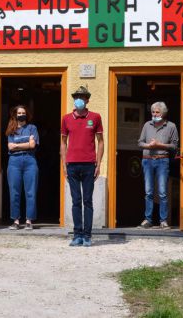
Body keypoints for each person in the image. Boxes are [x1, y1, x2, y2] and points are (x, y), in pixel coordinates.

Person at [61, 86, 104, 247]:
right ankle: (77, 234)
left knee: (87, 200)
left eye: (82, 97)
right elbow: (63, 142)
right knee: (76, 200)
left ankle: (87, 235)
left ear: (87, 100)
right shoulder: (66, 118)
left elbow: (100, 142)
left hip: (89, 164)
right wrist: (64, 164)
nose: (78, 99)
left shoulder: (95, 117)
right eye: (76, 97)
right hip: (72, 164)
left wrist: (98, 164)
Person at [137, 102, 179, 230]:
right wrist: (148, 146)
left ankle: (163, 220)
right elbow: (140, 142)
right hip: (147, 160)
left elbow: (174, 146)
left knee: (162, 192)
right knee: (148, 192)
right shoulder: (147, 125)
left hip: (162, 160)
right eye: (153, 112)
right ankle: (148, 220)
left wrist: (159, 145)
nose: (154, 114)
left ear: (163, 113)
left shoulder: (171, 126)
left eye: (157, 112)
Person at [6, 105, 39, 230]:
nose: (21, 115)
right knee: (14, 192)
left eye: (23, 113)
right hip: (14, 162)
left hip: (30, 161)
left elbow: (32, 145)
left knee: (31, 191)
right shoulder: (11, 130)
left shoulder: (32, 128)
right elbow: (10, 147)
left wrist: (17, 145)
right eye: (19, 113)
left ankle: (29, 220)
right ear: (15, 115)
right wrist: (26, 144)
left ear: (27, 114)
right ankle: (15, 220)